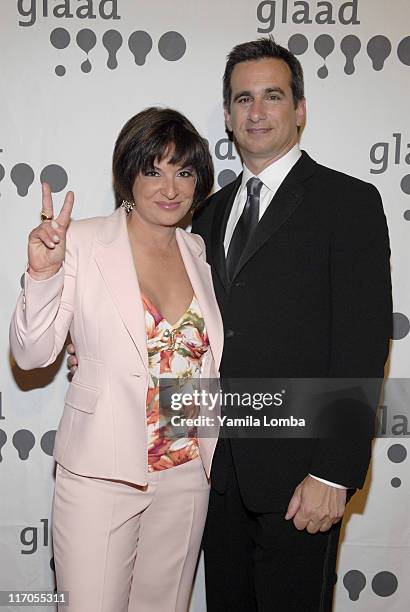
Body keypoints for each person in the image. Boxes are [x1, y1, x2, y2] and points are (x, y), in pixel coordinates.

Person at [190, 38, 392, 611]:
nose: (257, 112)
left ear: (300, 109)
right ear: (227, 116)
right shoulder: (203, 213)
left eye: (272, 96)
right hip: (213, 474)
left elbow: (359, 344)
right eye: (243, 99)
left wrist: (334, 471)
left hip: (302, 477)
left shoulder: (348, 203)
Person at [10, 107, 223, 612]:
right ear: (127, 175)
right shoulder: (80, 243)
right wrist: (42, 276)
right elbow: (32, 353)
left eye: (184, 171)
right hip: (100, 476)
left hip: (187, 474)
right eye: (153, 169)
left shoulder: (199, 252)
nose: (169, 186)